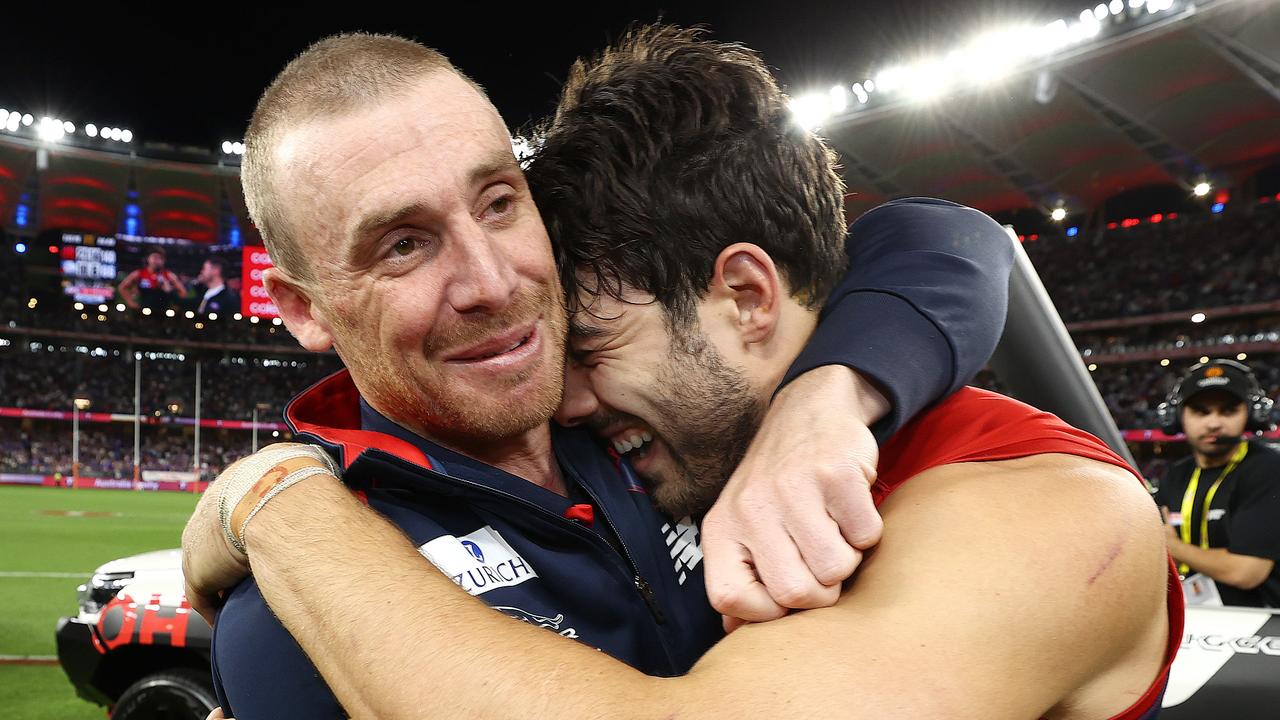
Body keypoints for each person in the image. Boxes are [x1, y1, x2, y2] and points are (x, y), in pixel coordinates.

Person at [186, 26, 1179, 720]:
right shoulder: (315, 594)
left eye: (498, 204)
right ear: (305, 308)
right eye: (403, 244)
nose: (492, 287)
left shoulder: (1043, 515)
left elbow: (948, 237)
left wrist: (823, 396)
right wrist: (281, 498)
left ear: (746, 299)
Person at [1154, 359, 1280, 607]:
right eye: (1201, 411)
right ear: (1178, 417)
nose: (1214, 423)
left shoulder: (1268, 469)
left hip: (1259, 626)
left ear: (1252, 415)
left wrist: (1174, 547)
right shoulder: (1175, 475)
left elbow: (1245, 572)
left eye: (1228, 411)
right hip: (1194, 618)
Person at [118, 246, 188, 311]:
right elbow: (122, 287)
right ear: (148, 258)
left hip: (162, 312)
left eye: (160, 258)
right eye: (154, 257)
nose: (157, 261)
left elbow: (183, 292)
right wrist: (131, 303)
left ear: (164, 261)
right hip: (143, 310)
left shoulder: (169, 275)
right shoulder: (139, 273)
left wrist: (175, 306)